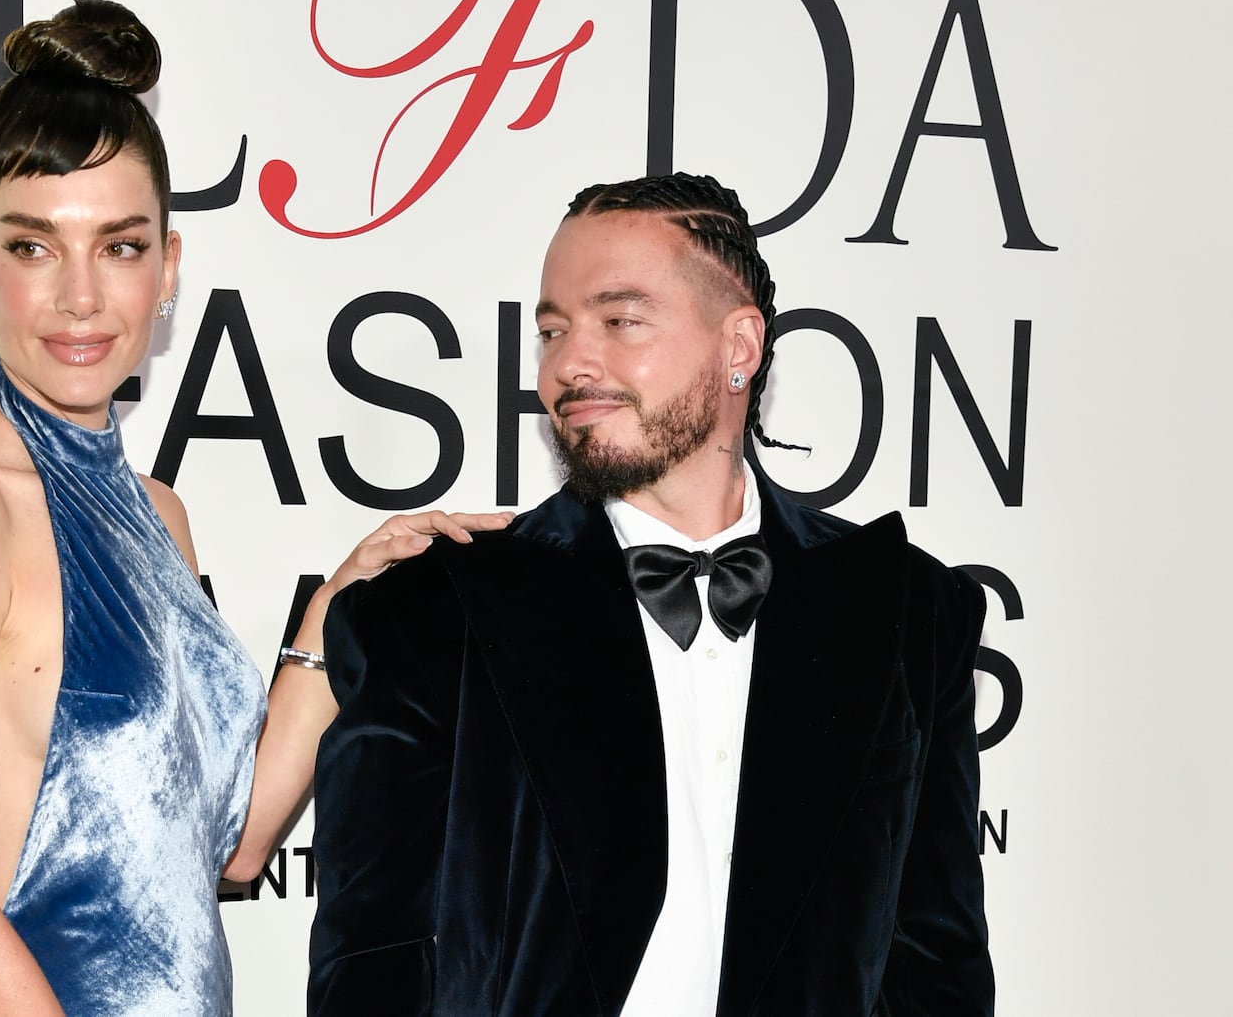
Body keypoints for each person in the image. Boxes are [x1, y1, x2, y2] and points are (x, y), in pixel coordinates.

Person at [0, 0, 504, 1017]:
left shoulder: (157, 513)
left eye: (119, 245)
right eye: (32, 246)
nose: (81, 296)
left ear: (169, 267)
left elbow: (232, 842)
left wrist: (348, 595)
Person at [308, 172, 994, 1015]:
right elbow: (373, 957)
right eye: (552, 330)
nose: (569, 363)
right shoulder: (438, 612)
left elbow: (935, 964)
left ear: (739, 347)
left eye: (620, 321)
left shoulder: (908, 613)